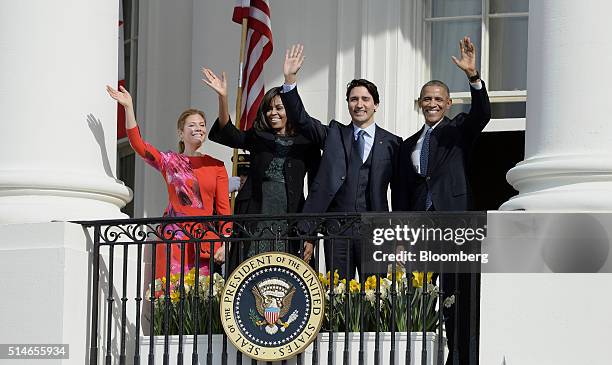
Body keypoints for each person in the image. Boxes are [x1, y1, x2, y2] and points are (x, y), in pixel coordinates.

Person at [394, 36, 491, 365]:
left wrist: (473, 77)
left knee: (458, 299)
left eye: (438, 99)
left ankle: (463, 359)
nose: (432, 103)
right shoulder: (409, 145)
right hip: (421, 232)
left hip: (455, 228)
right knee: (419, 299)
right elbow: (404, 194)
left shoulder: (459, 130)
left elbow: (482, 113)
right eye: (426, 99)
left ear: (448, 103)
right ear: (419, 103)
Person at [280, 44, 402, 279]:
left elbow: (399, 192)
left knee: (374, 294)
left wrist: (398, 236)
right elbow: (302, 120)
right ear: (348, 104)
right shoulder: (335, 134)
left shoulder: (393, 143)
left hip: (374, 231)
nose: (359, 104)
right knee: (339, 291)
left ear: (375, 104)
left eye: (365, 99)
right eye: (354, 99)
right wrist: (290, 80)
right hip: (337, 229)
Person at [202, 67, 321, 271]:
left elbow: (316, 192)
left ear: (290, 111)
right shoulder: (258, 137)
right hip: (256, 217)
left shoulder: (307, 142)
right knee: (251, 272)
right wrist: (223, 98)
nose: (272, 113)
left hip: (291, 221)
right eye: (269, 108)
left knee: (288, 275)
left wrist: (311, 237)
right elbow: (228, 133)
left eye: (279, 108)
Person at [106, 85, 229, 280]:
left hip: (204, 241)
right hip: (175, 238)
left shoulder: (216, 166)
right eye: (192, 124)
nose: (198, 128)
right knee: (171, 296)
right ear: (181, 133)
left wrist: (225, 242)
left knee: (202, 299)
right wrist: (128, 107)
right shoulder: (170, 161)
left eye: (202, 124)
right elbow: (139, 146)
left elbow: (223, 209)